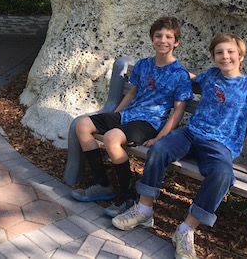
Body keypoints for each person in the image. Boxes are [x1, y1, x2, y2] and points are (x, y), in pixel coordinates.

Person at [111, 33, 247, 259]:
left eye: (230, 52)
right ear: (213, 56)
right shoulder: (209, 76)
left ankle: (186, 229)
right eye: (219, 52)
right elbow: (185, 77)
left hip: (220, 145)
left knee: (223, 175)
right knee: (159, 148)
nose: (225, 56)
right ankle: (144, 210)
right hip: (191, 134)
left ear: (241, 56)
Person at [71, 16, 194, 217]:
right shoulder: (143, 65)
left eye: (168, 37)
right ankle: (102, 184)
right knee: (82, 125)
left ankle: (127, 196)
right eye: (158, 36)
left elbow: (178, 110)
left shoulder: (179, 74)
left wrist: (160, 138)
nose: (163, 40)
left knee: (111, 138)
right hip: (128, 115)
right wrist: (116, 114)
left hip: (149, 123)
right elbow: (132, 93)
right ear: (152, 39)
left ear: (176, 42)